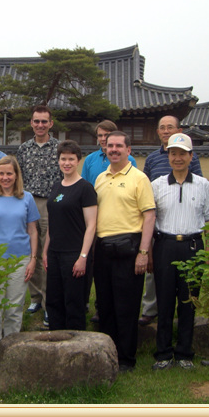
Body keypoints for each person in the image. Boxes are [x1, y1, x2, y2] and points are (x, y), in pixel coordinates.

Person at [150, 133, 209, 371]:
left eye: (182, 154)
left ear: (191, 156)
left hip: (193, 246)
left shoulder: (203, 184)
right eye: (173, 153)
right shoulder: (156, 185)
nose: (178, 158)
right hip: (164, 245)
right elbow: (150, 220)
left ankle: (185, 352)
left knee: (189, 301)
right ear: (168, 156)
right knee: (164, 301)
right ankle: (163, 353)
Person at [94, 131, 155, 372]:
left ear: (128, 150)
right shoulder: (100, 178)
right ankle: (107, 353)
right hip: (102, 247)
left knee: (126, 306)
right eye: (110, 146)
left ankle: (126, 358)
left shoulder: (139, 178)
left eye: (119, 146)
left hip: (129, 247)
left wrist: (143, 252)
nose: (114, 149)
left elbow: (149, 216)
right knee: (105, 305)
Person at [139, 115, 203, 326]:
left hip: (184, 225)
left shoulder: (192, 160)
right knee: (154, 273)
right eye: (162, 127)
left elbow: (199, 188)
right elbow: (145, 187)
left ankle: (183, 318)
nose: (166, 131)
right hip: (159, 223)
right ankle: (151, 309)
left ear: (179, 130)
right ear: (158, 132)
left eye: (170, 127)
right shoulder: (152, 159)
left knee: (185, 281)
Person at [0, 156, 40, 357]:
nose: (5, 177)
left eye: (9, 173)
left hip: (19, 261)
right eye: (1, 173)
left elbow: (33, 231)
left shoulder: (27, 198)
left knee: (14, 308)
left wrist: (33, 259)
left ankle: (11, 351)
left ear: (16, 175)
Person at [81, 119, 137, 324]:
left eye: (107, 135)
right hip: (94, 219)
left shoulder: (130, 160)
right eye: (100, 136)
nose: (103, 139)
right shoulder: (90, 160)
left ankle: (110, 309)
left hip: (119, 223)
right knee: (94, 265)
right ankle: (93, 303)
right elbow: (84, 188)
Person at [43, 140, 97, 331]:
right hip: (54, 253)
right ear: (58, 160)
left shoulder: (85, 188)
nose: (67, 163)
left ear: (78, 161)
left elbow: (91, 225)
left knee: (74, 302)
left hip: (74, 254)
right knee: (54, 300)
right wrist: (45, 252)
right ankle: (56, 339)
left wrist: (83, 256)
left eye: (71, 159)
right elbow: (52, 222)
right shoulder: (56, 186)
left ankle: (75, 343)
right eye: (63, 159)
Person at [17, 105, 61, 326]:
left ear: (50, 124)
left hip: (51, 203)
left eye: (44, 121)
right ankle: (34, 297)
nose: (40, 125)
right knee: (31, 251)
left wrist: (59, 202)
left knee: (47, 254)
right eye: (37, 121)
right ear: (31, 123)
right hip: (28, 202)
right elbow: (19, 177)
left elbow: (66, 177)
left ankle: (47, 301)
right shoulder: (24, 149)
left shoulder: (59, 148)